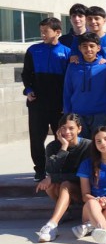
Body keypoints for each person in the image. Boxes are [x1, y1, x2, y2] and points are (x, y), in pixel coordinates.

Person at [22, 17, 71, 181]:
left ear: (57, 32)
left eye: (46, 31)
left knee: (62, 137)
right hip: (37, 104)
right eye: (41, 31)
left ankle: (59, 169)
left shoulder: (67, 52)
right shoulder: (33, 50)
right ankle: (40, 169)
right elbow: (26, 74)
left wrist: (67, 103)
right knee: (36, 138)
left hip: (58, 105)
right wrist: (28, 90)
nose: (42, 34)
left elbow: (69, 80)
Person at [35, 114, 91, 242]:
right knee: (49, 184)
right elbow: (51, 170)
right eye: (63, 128)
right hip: (62, 187)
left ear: (79, 129)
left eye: (71, 128)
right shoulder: (52, 146)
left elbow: (83, 175)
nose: (67, 132)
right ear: (58, 130)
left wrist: (53, 178)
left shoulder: (88, 146)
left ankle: (52, 225)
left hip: (82, 190)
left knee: (65, 183)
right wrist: (64, 148)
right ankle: (65, 212)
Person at [63, 32, 106, 137]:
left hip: (100, 115)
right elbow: (67, 92)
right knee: (81, 148)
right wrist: (68, 115)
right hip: (77, 115)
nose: (88, 49)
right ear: (79, 48)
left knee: (98, 148)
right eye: (84, 46)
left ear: (98, 48)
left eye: (92, 46)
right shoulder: (73, 67)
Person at [68, 6, 106, 74]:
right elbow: (73, 63)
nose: (93, 21)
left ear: (104, 21)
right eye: (90, 19)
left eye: (96, 18)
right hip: (84, 82)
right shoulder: (78, 40)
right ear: (86, 21)